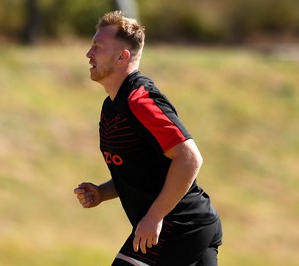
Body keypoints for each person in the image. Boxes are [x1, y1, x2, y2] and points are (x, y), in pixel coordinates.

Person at [74, 11, 222, 266]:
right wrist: (102, 192)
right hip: (189, 227)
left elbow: (189, 159)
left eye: (97, 46)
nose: (89, 53)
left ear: (122, 56)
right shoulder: (112, 107)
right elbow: (139, 170)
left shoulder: (140, 100)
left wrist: (154, 217)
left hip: (181, 226)